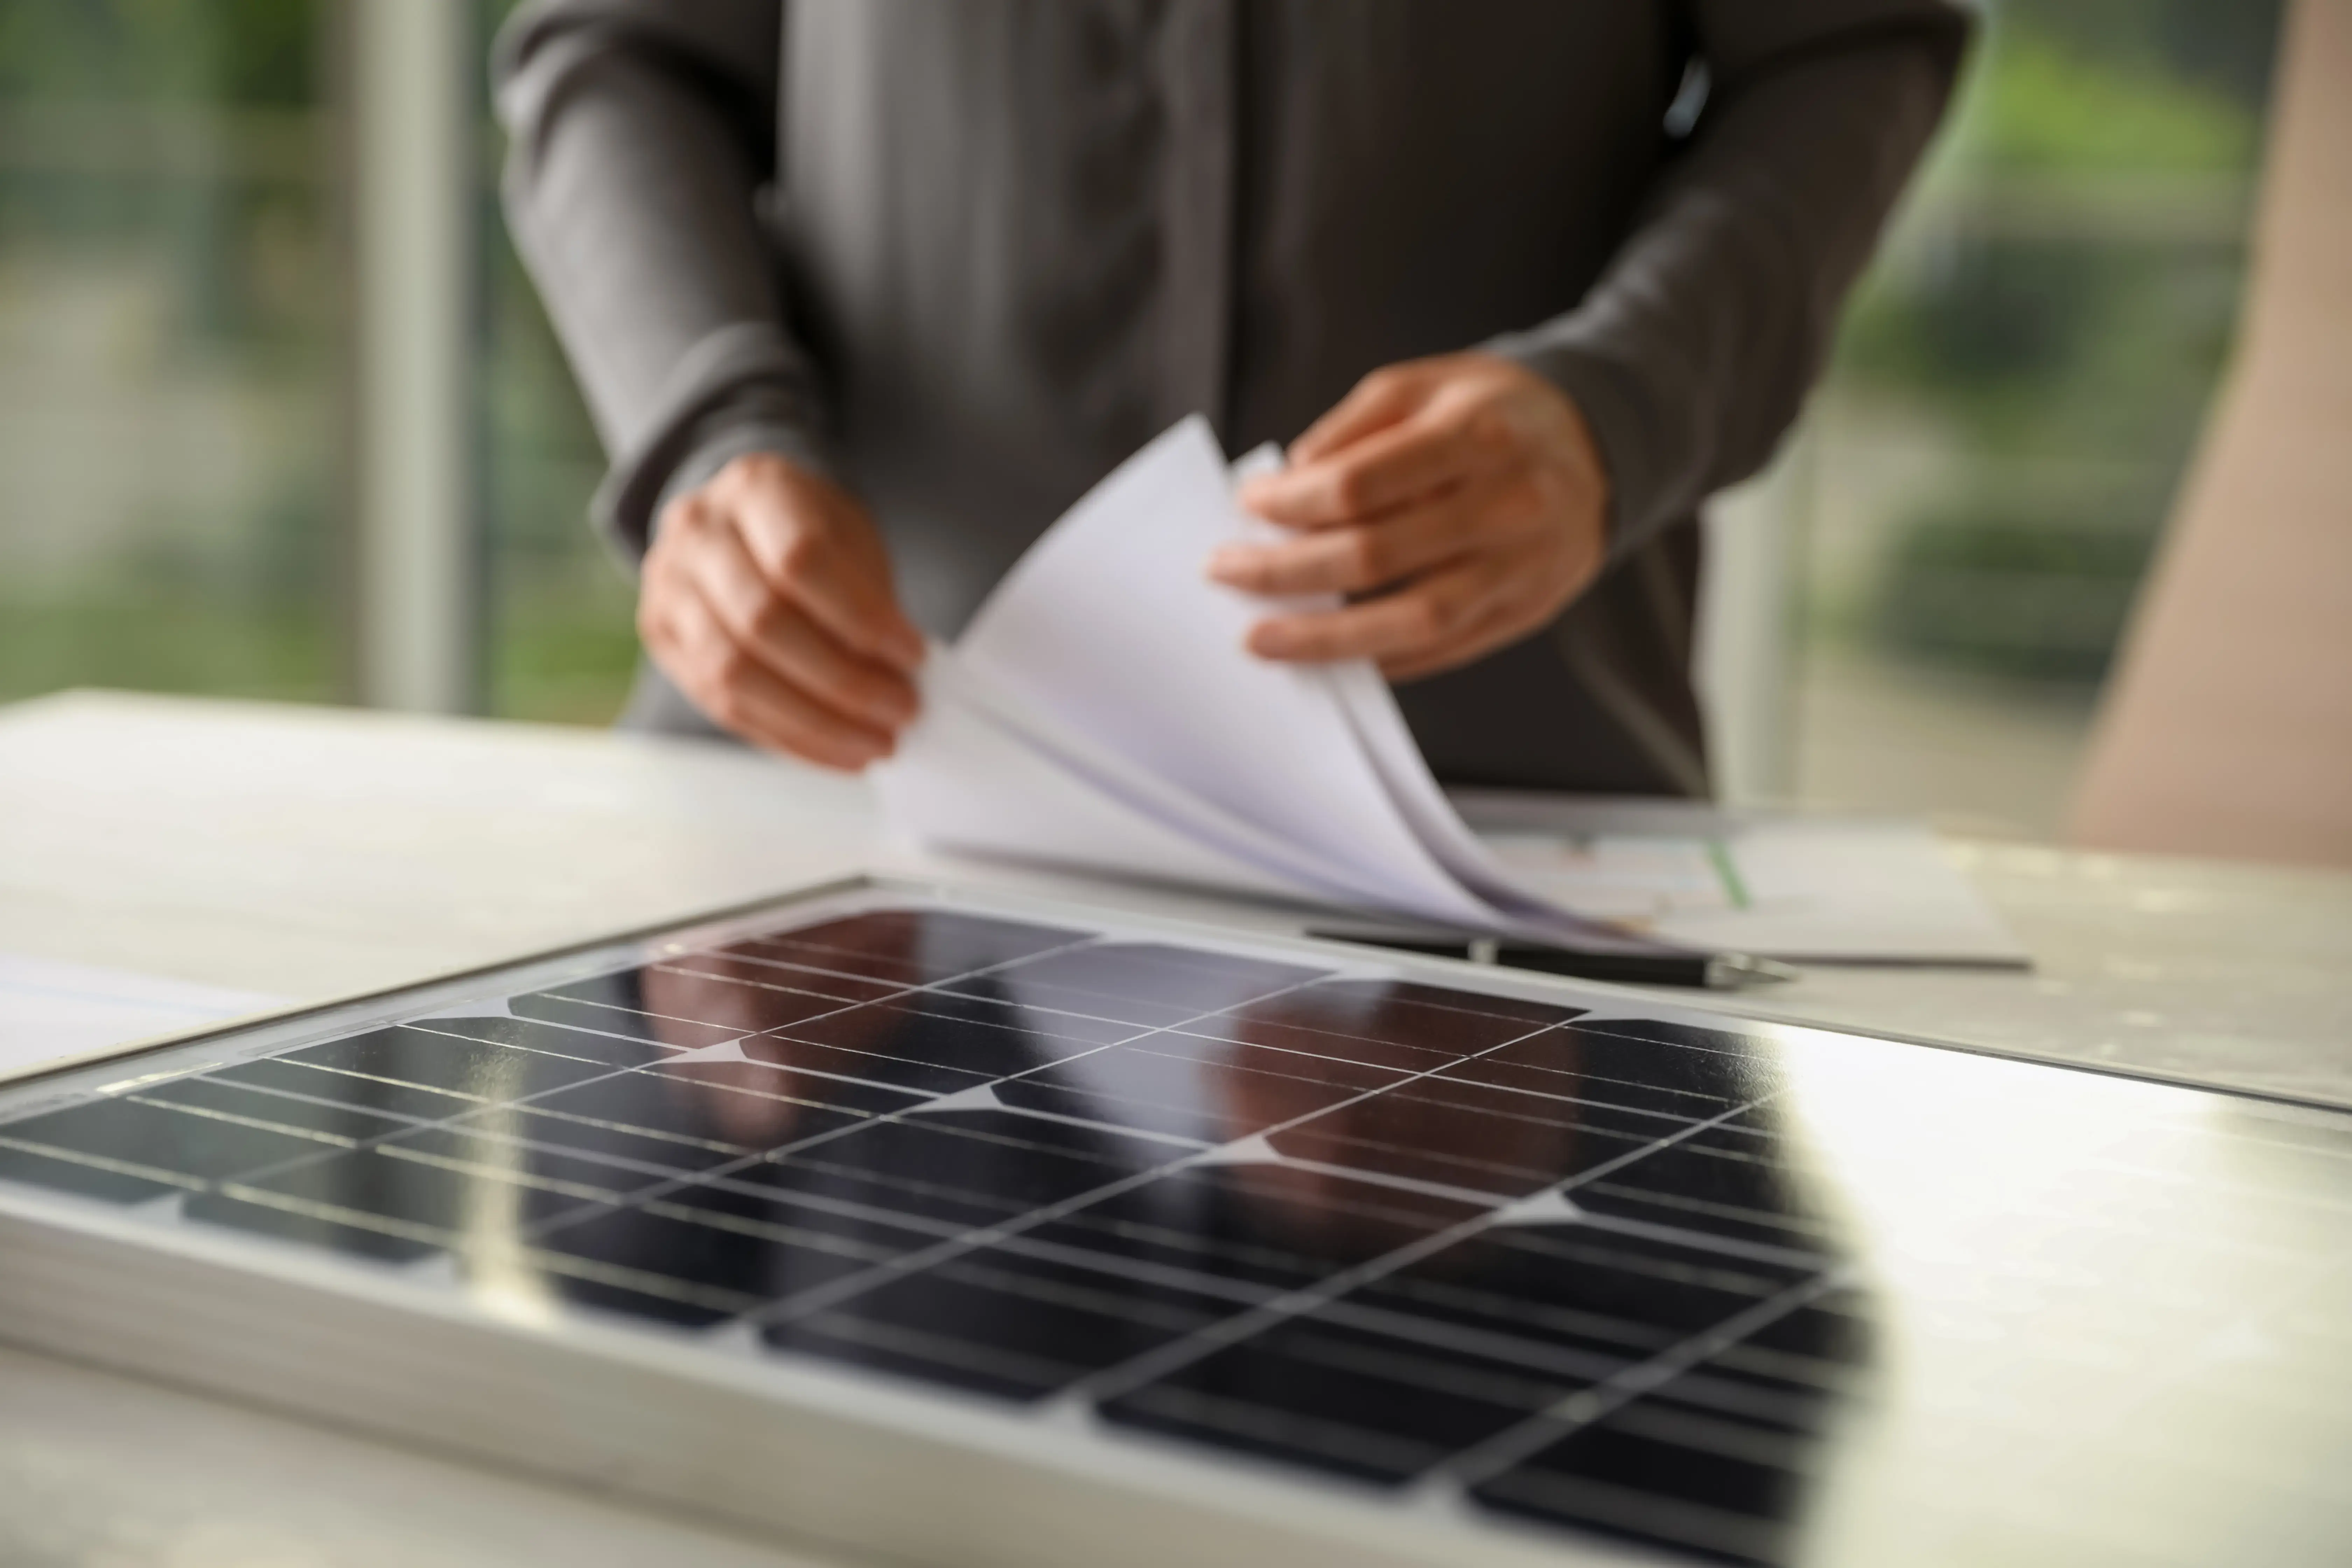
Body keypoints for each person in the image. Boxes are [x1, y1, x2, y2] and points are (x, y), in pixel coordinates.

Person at [496, 1, 1967, 793]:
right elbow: (621, 54)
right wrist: (710, 437)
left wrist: (1627, 393)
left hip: (1512, 800)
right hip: (836, 783)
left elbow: (1847, 49)